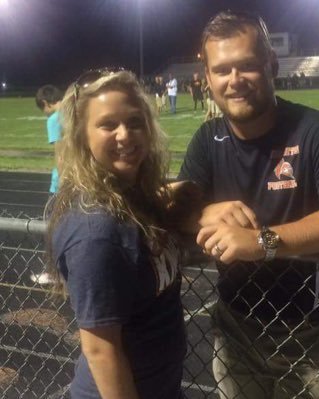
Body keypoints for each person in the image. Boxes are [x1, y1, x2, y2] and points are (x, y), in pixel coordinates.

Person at [178, 11, 319, 399]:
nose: (234, 80)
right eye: (222, 70)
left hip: (310, 331)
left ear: (272, 64)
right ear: (209, 79)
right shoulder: (207, 139)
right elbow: (170, 204)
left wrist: (264, 242)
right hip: (234, 325)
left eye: (247, 66)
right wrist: (200, 212)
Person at [47, 69, 186, 399]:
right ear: (83, 136)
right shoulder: (96, 230)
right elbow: (100, 351)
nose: (126, 135)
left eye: (135, 122)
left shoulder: (129, 195)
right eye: (108, 124)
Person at [33, 84, 63, 285]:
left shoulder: (54, 119)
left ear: (45, 103)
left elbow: (60, 153)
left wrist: (61, 183)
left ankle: (54, 272)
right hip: (84, 179)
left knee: (53, 227)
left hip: (63, 183)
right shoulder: (75, 112)